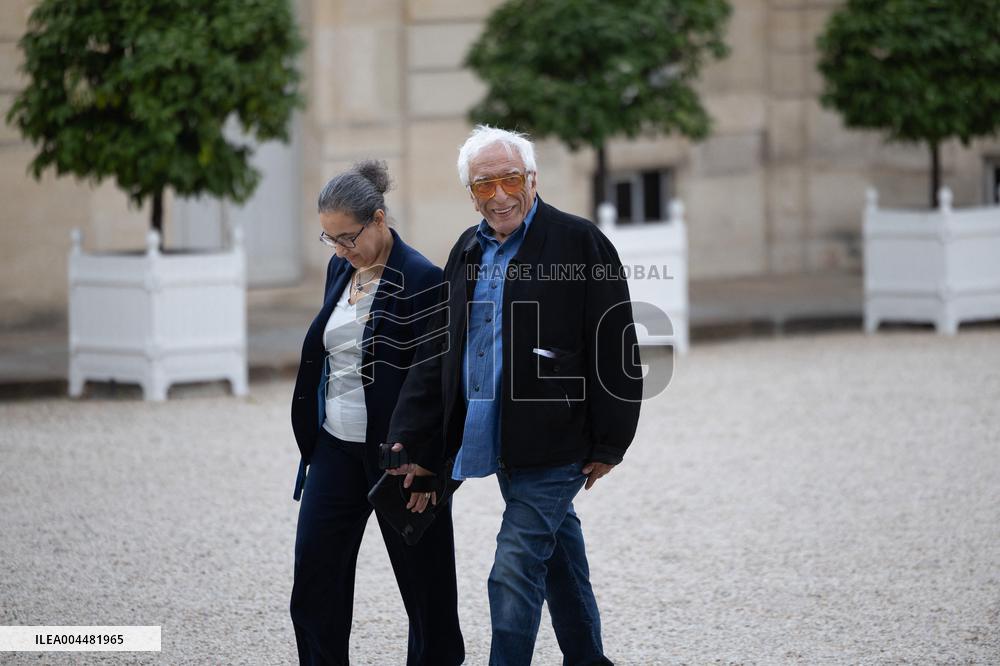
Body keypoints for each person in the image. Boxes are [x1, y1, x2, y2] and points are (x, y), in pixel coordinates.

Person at [387, 127, 643, 665]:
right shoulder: (466, 250)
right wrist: (413, 438)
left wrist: (611, 440)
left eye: (510, 179)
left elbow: (615, 340)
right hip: (498, 437)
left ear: (532, 179)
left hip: (558, 441)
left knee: (514, 565)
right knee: (559, 559)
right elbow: (443, 350)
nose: (499, 195)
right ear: (471, 193)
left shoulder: (577, 241)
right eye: (485, 185)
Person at [288, 160, 464, 666]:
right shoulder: (340, 269)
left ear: (380, 219)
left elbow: (437, 382)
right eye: (329, 240)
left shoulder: (423, 279)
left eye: (347, 237)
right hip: (334, 450)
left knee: (426, 592)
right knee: (315, 581)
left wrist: (428, 463)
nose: (341, 250)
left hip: (400, 460)